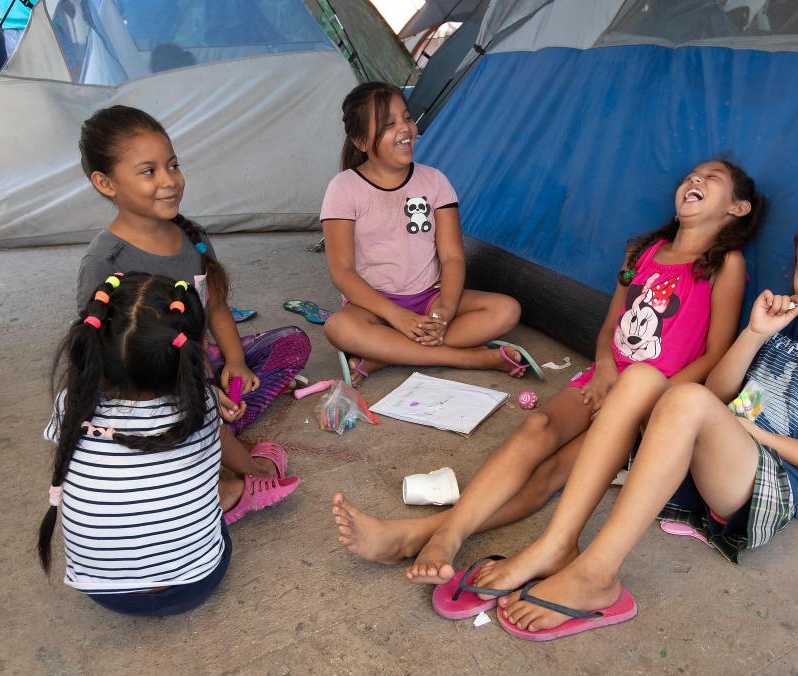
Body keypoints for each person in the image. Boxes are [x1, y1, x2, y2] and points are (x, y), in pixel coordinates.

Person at [332, 158, 765, 590]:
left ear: (738, 208)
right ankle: (448, 534)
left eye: (711, 179)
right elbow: (612, 326)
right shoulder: (644, 251)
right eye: (691, 175)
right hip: (604, 381)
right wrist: (604, 368)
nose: (694, 180)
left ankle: (415, 533)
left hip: (651, 403)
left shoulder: (726, 264)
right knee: (537, 427)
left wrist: (653, 399)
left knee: (554, 472)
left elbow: (715, 353)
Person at [486, 203, 798, 640]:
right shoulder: (784, 327)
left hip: (767, 487)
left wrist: (756, 434)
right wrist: (756, 334)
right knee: (641, 378)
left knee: (687, 398)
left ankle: (596, 574)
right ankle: (557, 543)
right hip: (717, 455)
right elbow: (721, 393)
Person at [38, 273, 300, 616]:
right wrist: (257, 468)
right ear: (192, 352)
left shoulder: (69, 403)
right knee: (208, 465)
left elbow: (74, 466)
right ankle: (237, 490)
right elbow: (225, 449)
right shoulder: (203, 404)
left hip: (104, 593)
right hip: (197, 583)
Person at [74, 105, 311, 445]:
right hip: (149, 388)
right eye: (148, 171)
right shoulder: (106, 259)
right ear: (105, 183)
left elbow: (216, 309)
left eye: (173, 165)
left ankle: (214, 420)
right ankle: (210, 423)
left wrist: (235, 363)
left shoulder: (194, 237)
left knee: (291, 342)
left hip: (200, 362)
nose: (169, 180)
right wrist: (196, 390)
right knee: (149, 410)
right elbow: (97, 354)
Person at [320, 81, 535, 387]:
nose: (405, 129)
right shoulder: (343, 188)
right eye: (389, 124)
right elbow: (342, 272)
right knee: (339, 328)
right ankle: (469, 358)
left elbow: (451, 256)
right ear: (360, 141)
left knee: (506, 310)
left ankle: (385, 354)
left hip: (430, 298)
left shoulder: (435, 181)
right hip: (374, 306)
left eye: (407, 118)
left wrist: (445, 309)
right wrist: (396, 317)